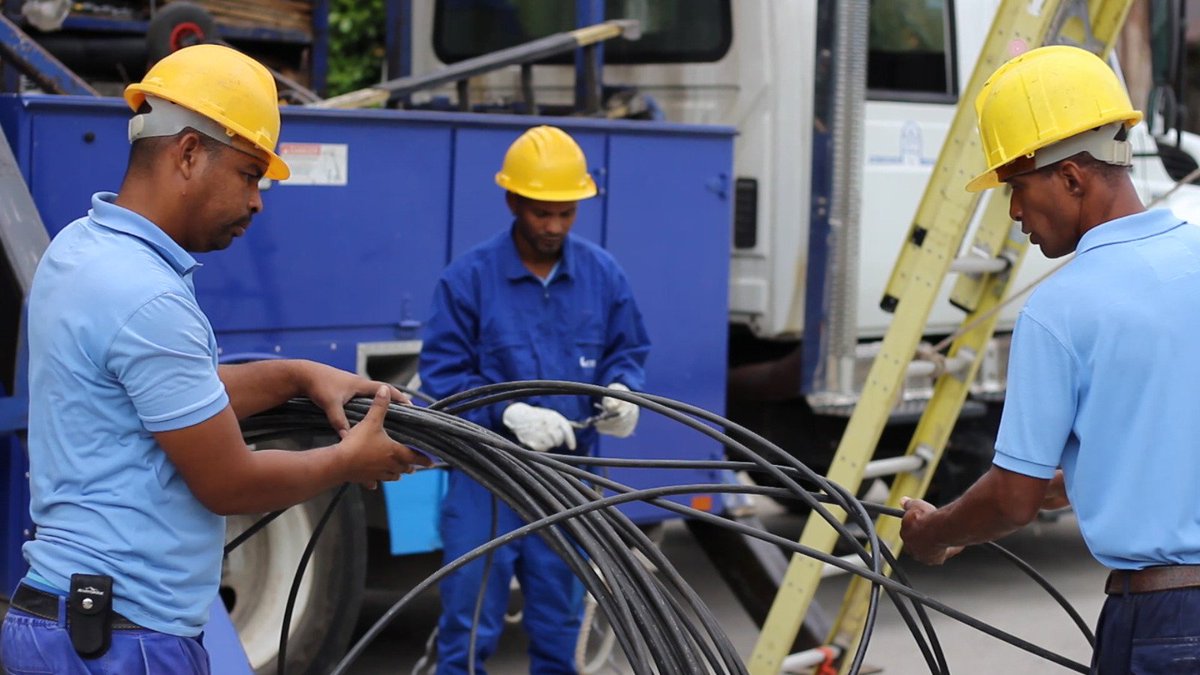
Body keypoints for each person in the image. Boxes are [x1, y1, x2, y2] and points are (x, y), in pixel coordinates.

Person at [0, 44, 429, 674]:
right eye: (249, 175)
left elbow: (169, 398)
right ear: (189, 153)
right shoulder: (146, 296)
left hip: (60, 621)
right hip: (124, 643)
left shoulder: (79, 249)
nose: (257, 202)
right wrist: (347, 461)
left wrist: (297, 376)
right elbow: (229, 482)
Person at [899, 45, 1200, 673]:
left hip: (1166, 624)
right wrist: (1079, 484)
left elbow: (1012, 500)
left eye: (1016, 187)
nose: (1012, 214)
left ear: (1071, 178)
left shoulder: (1060, 308)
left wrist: (937, 533)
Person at [420, 125, 650, 674]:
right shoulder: (469, 280)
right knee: (467, 624)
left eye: (565, 213)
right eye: (541, 213)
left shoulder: (602, 276)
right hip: (486, 476)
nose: (553, 227)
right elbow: (442, 375)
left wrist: (623, 390)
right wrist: (506, 412)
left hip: (570, 483)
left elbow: (628, 349)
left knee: (560, 626)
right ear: (512, 201)